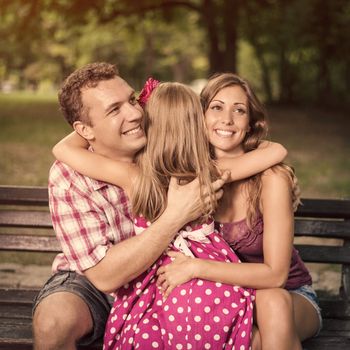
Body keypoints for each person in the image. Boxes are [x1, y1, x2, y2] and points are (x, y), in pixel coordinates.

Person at [52, 80, 288, 349]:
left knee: (155, 333)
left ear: (147, 128)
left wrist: (87, 128)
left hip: (160, 275)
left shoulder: (135, 176)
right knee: (235, 336)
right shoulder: (211, 172)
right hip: (208, 276)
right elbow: (277, 150)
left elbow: (62, 150)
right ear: (198, 126)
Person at [31, 62, 227, 350]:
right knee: (53, 325)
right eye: (114, 110)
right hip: (94, 286)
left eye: (133, 100)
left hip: (169, 275)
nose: (135, 114)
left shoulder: (163, 142)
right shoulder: (68, 175)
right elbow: (104, 275)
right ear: (84, 129)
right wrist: (175, 215)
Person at [157, 73, 322, 350]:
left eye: (239, 110)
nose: (227, 119)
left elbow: (276, 276)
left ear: (250, 124)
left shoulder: (272, 179)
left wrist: (196, 267)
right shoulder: (188, 180)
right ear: (201, 117)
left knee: (272, 300)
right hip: (222, 299)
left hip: (289, 294)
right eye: (217, 107)